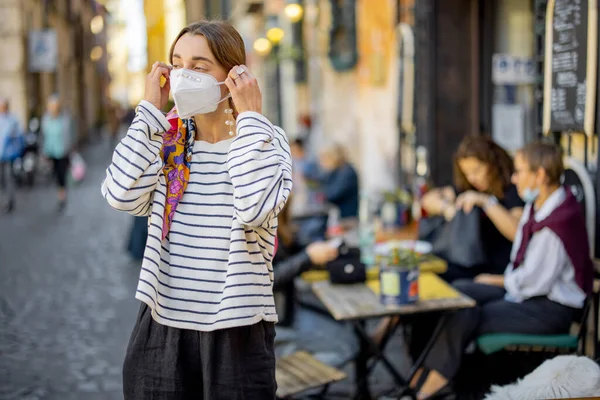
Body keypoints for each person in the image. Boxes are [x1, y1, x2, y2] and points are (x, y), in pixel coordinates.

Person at [101, 20, 292, 399]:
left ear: (234, 75)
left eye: (200, 66)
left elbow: (255, 209)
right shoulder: (166, 139)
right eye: (178, 63)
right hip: (161, 329)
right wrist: (150, 112)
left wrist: (250, 118)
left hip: (237, 332)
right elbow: (120, 194)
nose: (185, 75)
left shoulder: (267, 139)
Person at [413, 141, 594, 399]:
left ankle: (430, 385)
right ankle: (429, 376)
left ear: (539, 174)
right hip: (528, 295)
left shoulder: (558, 223)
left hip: (549, 309)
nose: (514, 177)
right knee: (460, 293)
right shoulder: (540, 205)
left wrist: (495, 281)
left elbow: (532, 283)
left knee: (466, 311)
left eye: (519, 171)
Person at [422, 136, 524, 282]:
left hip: (496, 269)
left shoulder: (511, 190)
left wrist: (486, 202)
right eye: (466, 173)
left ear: (493, 164)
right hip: (468, 261)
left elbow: (517, 231)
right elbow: (428, 200)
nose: (472, 178)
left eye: (477, 171)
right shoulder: (468, 188)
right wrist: (447, 208)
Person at [41, 94, 74, 210]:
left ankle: (62, 195)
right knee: (55, 174)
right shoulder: (46, 119)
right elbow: (44, 136)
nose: (53, 108)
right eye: (51, 106)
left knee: (62, 174)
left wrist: (71, 148)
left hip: (63, 151)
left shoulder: (64, 118)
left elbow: (69, 134)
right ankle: (60, 191)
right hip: (51, 152)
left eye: (55, 106)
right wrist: (44, 151)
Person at [318, 142, 359, 219]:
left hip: (347, 219)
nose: (322, 162)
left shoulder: (347, 172)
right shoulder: (337, 170)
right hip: (339, 217)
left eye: (324, 158)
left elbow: (331, 195)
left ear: (333, 157)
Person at [0, 98, 22, 213]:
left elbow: (18, 134)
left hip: (8, 154)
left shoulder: (12, 119)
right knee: (2, 179)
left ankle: (10, 200)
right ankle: (4, 199)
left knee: (9, 177)